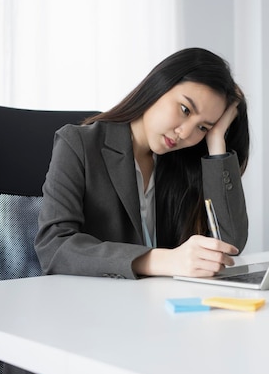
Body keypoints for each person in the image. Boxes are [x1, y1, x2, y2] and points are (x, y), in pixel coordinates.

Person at [35, 48, 249, 279]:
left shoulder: (184, 163)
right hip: (96, 305)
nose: (185, 133)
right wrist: (161, 260)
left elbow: (229, 245)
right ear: (158, 86)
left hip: (166, 305)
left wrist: (216, 142)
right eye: (185, 109)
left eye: (202, 127)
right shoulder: (79, 144)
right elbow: (54, 246)